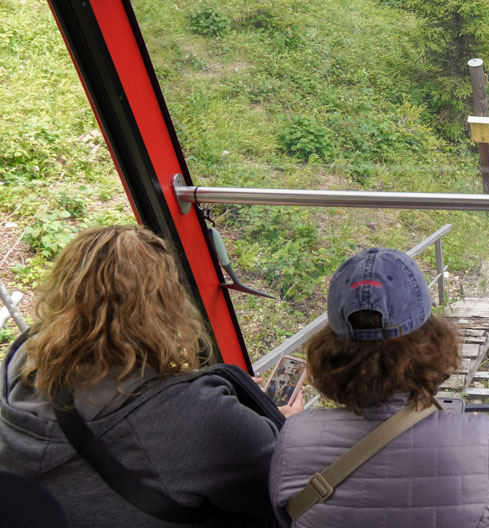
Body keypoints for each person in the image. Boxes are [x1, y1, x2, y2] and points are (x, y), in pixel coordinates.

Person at [0, 225, 282, 526]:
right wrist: (287, 426)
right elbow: (282, 486)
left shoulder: (22, 361)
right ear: (167, 305)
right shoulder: (196, 413)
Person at [269, 247, 489, 528]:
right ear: (432, 341)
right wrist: (475, 438)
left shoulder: (291, 440)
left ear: (327, 351)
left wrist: (297, 430)